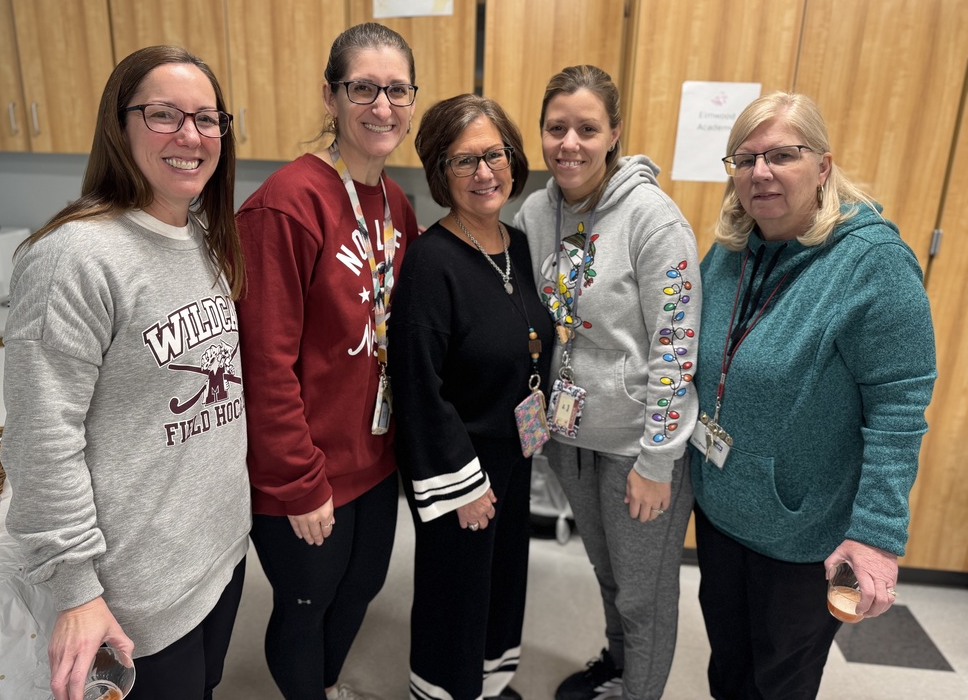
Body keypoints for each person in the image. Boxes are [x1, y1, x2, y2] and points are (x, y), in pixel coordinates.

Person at [1, 45, 249, 700]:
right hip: (135, 593)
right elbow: (40, 443)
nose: (191, 136)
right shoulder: (74, 257)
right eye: (164, 115)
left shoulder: (200, 235)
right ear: (120, 124)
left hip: (217, 556)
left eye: (207, 118)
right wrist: (76, 590)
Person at [690, 91, 937, 699]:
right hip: (722, 514)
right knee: (728, 672)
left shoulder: (872, 264)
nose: (761, 173)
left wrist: (877, 535)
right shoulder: (728, 252)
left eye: (782, 155)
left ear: (823, 165)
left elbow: (899, 410)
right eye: (744, 159)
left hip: (802, 536)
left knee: (780, 684)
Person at [234, 22, 419, 700]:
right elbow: (263, 361)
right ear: (330, 97)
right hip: (307, 467)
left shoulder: (395, 202)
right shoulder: (287, 204)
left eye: (396, 89)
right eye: (363, 87)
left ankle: (328, 687)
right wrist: (298, 478)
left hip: (374, 454)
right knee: (306, 604)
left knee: (362, 587)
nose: (382, 106)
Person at [514, 65, 701, 700]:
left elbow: (675, 350)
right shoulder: (537, 213)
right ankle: (619, 670)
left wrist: (658, 459)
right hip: (571, 441)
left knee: (644, 594)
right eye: (556, 127)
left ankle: (638, 690)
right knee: (609, 576)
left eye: (587, 129)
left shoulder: (655, 221)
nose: (570, 143)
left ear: (614, 132)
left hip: (636, 450)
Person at [388, 94, 552, 700]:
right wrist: (463, 481)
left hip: (512, 456)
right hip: (462, 467)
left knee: (502, 581)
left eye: (495, 154)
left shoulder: (518, 244)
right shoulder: (432, 263)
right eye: (464, 161)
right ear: (440, 172)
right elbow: (418, 387)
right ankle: (444, 690)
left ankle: (487, 682)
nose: (485, 173)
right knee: (454, 593)